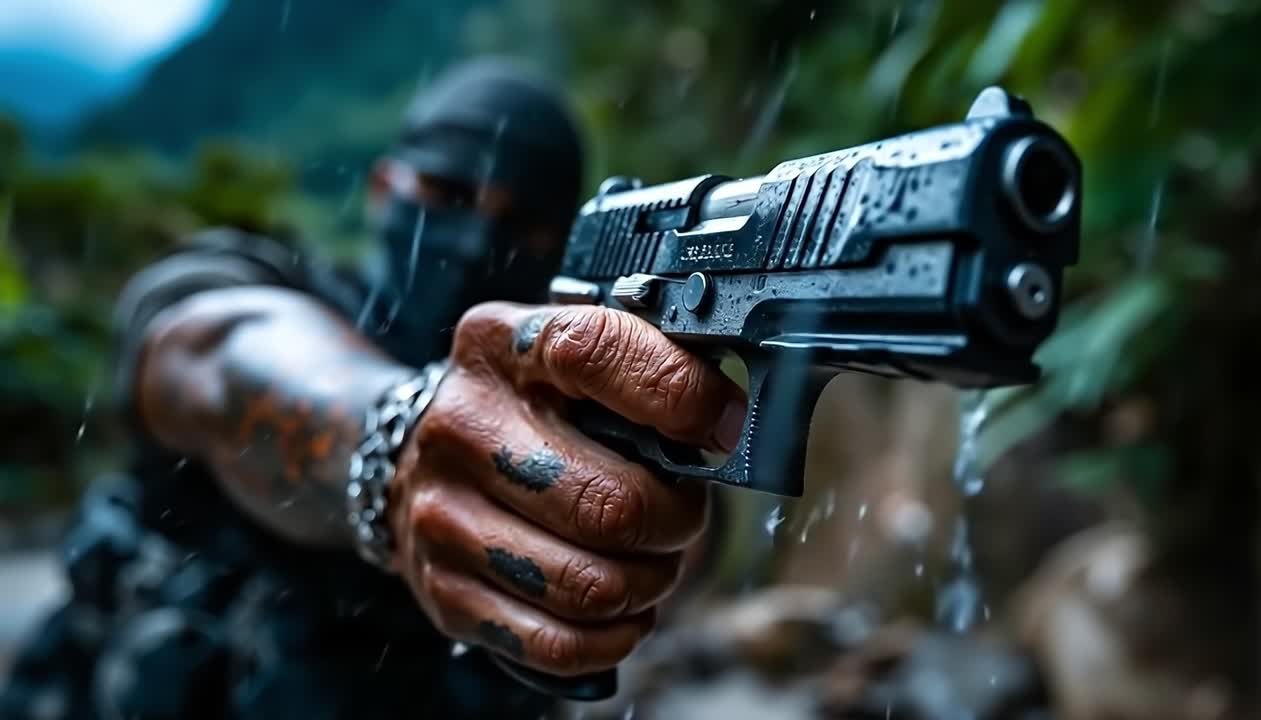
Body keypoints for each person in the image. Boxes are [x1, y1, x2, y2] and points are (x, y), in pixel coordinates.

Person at [0, 57, 743, 719]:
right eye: (449, 193)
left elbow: (684, 546)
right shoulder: (259, 291)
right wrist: (396, 441)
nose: (478, 239)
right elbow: (214, 357)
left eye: (522, 221)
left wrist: (626, 522)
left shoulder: (577, 401)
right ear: (387, 187)